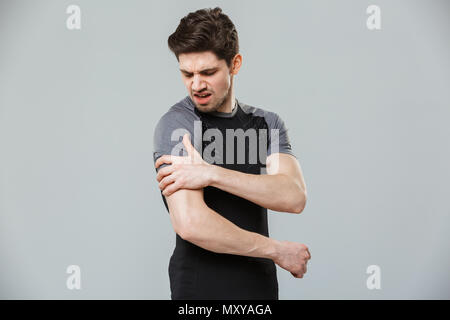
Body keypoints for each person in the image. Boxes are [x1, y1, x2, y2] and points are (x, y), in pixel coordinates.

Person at [153, 7, 310, 300]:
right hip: (201, 290)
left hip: (259, 288)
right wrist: (276, 250)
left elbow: (293, 196)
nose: (196, 85)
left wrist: (211, 173)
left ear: (234, 64)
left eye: (208, 72)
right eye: (187, 74)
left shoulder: (266, 123)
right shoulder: (179, 125)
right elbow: (191, 223)